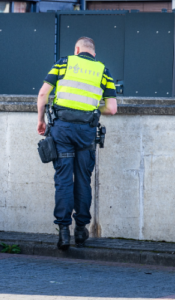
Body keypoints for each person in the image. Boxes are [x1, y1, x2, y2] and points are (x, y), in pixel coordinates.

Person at [36, 36, 117, 250]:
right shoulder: (103, 71)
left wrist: (40, 121)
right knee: (83, 179)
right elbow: (112, 108)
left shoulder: (64, 63)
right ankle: (81, 230)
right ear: (93, 53)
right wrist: (90, 110)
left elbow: (43, 94)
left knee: (63, 180)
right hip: (86, 132)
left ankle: (63, 231)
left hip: (62, 129)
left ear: (77, 49)